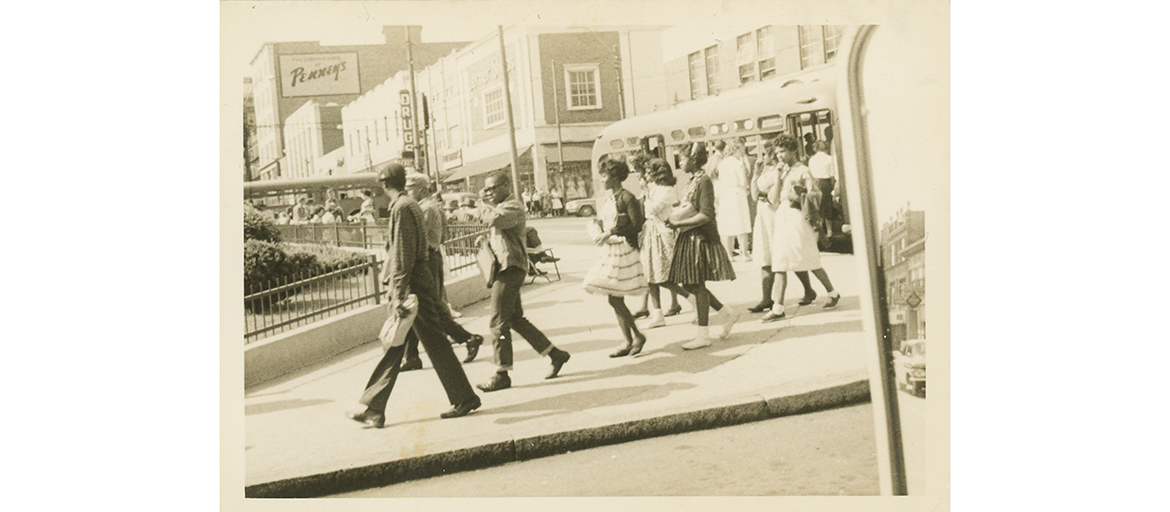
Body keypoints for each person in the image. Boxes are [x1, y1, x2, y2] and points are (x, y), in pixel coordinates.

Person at [345, 164, 482, 429]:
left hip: (413, 285)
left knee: (409, 343)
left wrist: (398, 293)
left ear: (384, 185)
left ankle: (376, 408)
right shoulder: (410, 205)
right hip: (420, 279)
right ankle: (375, 408)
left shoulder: (401, 207)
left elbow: (402, 253)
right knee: (411, 343)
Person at [474, 171, 571, 392]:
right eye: (486, 189)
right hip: (504, 268)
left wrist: (480, 204)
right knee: (516, 320)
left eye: (493, 188)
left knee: (497, 323)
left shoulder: (513, 206)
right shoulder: (499, 206)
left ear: (506, 186)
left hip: (511, 268)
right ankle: (555, 354)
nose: (489, 193)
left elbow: (495, 219)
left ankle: (502, 373)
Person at [398, 173, 486, 371]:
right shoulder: (432, 207)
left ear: (421, 189)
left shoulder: (426, 209)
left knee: (427, 307)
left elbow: (418, 238)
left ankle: (467, 338)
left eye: (410, 188)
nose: (407, 192)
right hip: (430, 258)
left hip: (425, 260)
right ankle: (411, 356)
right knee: (417, 308)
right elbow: (443, 236)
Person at [664, 142, 740, 349]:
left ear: (694, 159)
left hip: (700, 238)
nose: (680, 162)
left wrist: (678, 223)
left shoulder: (704, 180)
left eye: (683, 158)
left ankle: (703, 335)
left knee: (696, 285)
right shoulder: (693, 180)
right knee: (690, 284)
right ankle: (727, 313)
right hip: (689, 236)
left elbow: (706, 214)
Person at [762, 135, 841, 324]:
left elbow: (816, 196)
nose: (779, 156)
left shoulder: (803, 171)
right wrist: (777, 178)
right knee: (779, 262)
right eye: (777, 152)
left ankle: (832, 292)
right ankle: (778, 308)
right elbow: (773, 199)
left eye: (783, 152)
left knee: (809, 258)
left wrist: (796, 197)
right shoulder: (780, 171)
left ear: (792, 151)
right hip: (782, 217)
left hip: (798, 218)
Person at [583, 159, 650, 357]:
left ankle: (635, 337)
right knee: (614, 298)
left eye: (604, 176)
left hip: (623, 251)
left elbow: (636, 225)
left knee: (614, 298)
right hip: (611, 250)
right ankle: (631, 339)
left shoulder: (627, 197)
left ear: (614, 177)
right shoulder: (610, 198)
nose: (602, 180)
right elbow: (609, 221)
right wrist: (597, 225)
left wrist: (611, 232)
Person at [748, 141, 816, 313]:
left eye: (768, 153)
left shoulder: (782, 172)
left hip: (775, 214)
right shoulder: (766, 171)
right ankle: (767, 298)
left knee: (784, 256)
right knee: (766, 254)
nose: (765, 157)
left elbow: (773, 197)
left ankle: (801, 292)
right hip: (763, 214)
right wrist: (756, 173)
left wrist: (765, 187)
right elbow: (755, 195)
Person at [639, 157, 692, 327]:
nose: (646, 176)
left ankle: (692, 300)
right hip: (651, 233)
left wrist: (647, 194)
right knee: (650, 275)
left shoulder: (667, 190)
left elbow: (652, 209)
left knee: (664, 276)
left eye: (649, 172)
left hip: (663, 234)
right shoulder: (655, 189)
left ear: (658, 174)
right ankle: (657, 314)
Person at [715, 138, 753, 261]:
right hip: (738, 194)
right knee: (742, 223)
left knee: (727, 224)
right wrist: (747, 189)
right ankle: (744, 254)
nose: (743, 150)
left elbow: (720, 180)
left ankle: (729, 254)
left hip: (726, 194)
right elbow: (743, 182)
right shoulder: (738, 164)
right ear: (736, 149)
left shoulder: (722, 164)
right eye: (742, 148)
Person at [807, 140, 838, 236]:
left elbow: (810, 174)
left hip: (815, 182)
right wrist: (833, 186)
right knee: (827, 205)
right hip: (826, 183)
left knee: (817, 207)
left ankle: (820, 231)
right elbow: (832, 175)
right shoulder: (829, 159)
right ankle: (829, 230)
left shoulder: (812, 160)